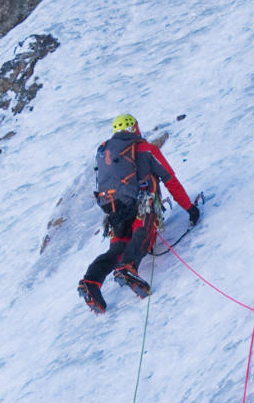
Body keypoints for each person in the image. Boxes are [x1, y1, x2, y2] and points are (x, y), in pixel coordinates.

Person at [77, 112, 199, 315]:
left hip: (114, 210)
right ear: (135, 128)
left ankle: (91, 281)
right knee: (143, 234)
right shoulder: (146, 149)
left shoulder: (106, 154)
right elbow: (171, 181)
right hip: (141, 206)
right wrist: (190, 208)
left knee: (116, 249)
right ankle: (128, 267)